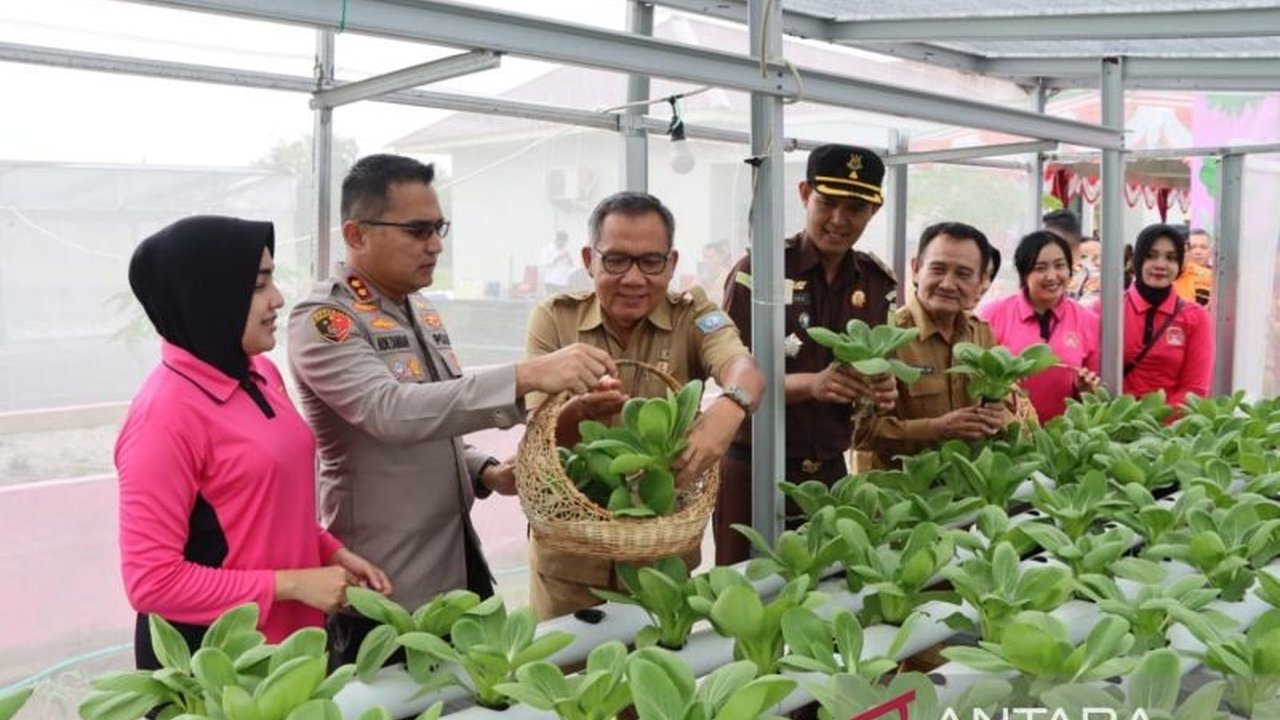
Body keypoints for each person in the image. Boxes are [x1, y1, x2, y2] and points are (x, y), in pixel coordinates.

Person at [287, 154, 616, 664]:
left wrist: (484, 470)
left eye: (438, 228)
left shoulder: (418, 308)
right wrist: (526, 375)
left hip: (456, 561)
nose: (436, 244)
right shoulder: (326, 319)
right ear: (356, 234)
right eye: (418, 230)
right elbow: (389, 411)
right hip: (384, 584)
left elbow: (436, 418)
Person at [116, 216, 390, 670]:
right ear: (210, 295)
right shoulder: (164, 416)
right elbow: (151, 582)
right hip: (218, 665)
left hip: (290, 650)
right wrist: (294, 585)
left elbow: (263, 505)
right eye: (259, 284)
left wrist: (329, 551)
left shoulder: (260, 373)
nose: (278, 298)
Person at [523, 191, 764, 619]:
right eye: (616, 260)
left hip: (661, 558)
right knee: (566, 680)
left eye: (651, 262)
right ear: (589, 259)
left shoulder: (694, 315)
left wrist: (730, 407)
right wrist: (580, 414)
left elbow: (742, 367)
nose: (634, 278)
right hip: (572, 565)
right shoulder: (555, 319)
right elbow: (539, 437)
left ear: (671, 264)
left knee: (656, 678)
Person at [719, 144, 898, 564]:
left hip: (832, 470)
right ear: (804, 193)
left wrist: (883, 385)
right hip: (755, 468)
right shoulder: (760, 270)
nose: (839, 220)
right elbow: (726, 373)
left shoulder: (877, 284)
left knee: (822, 593)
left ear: (873, 211)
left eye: (855, 207)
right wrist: (810, 385)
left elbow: (878, 364)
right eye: (828, 202)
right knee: (742, 597)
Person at [853, 222, 1010, 470]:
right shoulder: (885, 337)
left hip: (965, 488)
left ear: (981, 281)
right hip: (900, 496)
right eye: (938, 269)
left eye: (963, 274)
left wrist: (998, 417)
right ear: (916, 269)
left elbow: (1008, 406)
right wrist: (935, 429)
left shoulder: (980, 333)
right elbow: (860, 434)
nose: (948, 284)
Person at [978, 230, 1101, 422]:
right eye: (1040, 268)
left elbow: (1096, 391)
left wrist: (1086, 389)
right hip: (1006, 435)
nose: (1051, 276)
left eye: (1060, 266)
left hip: (1065, 437)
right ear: (1024, 272)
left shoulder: (1088, 321)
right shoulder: (993, 315)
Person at [1123, 223, 1214, 409]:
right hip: (1111, 428)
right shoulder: (1105, 310)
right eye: (1151, 256)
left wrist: (1156, 423)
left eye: (1171, 258)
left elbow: (1195, 389)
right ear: (1138, 259)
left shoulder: (1196, 317)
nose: (1161, 265)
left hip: (1171, 432)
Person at [1173, 227, 1214, 306]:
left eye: (1203, 247)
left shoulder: (1214, 278)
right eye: (1193, 247)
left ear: (1211, 251)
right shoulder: (1166, 275)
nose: (1197, 252)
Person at [540, 230, 576, 294]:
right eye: (562, 242)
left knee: (562, 302)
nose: (563, 244)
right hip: (551, 281)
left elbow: (572, 266)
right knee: (551, 302)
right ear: (557, 240)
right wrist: (558, 258)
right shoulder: (547, 249)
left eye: (565, 242)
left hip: (563, 282)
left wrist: (569, 259)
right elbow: (545, 263)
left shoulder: (566, 250)